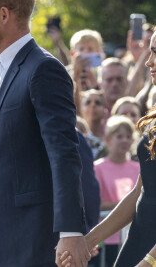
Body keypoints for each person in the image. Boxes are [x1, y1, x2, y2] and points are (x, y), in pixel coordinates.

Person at [0, 0, 89, 267]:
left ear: (3, 15)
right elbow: (13, 143)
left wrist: (71, 231)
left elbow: (64, 152)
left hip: (30, 239)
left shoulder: (44, 69)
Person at [60, 29, 156, 267]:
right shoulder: (153, 119)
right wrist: (88, 241)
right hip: (140, 242)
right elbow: (139, 194)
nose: (148, 61)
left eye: (155, 53)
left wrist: (150, 260)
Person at [94, 115, 140, 267]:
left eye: (128, 136)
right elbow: (95, 204)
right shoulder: (97, 168)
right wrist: (125, 206)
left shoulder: (139, 168)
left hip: (134, 236)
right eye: (119, 136)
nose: (125, 140)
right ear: (108, 139)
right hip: (107, 237)